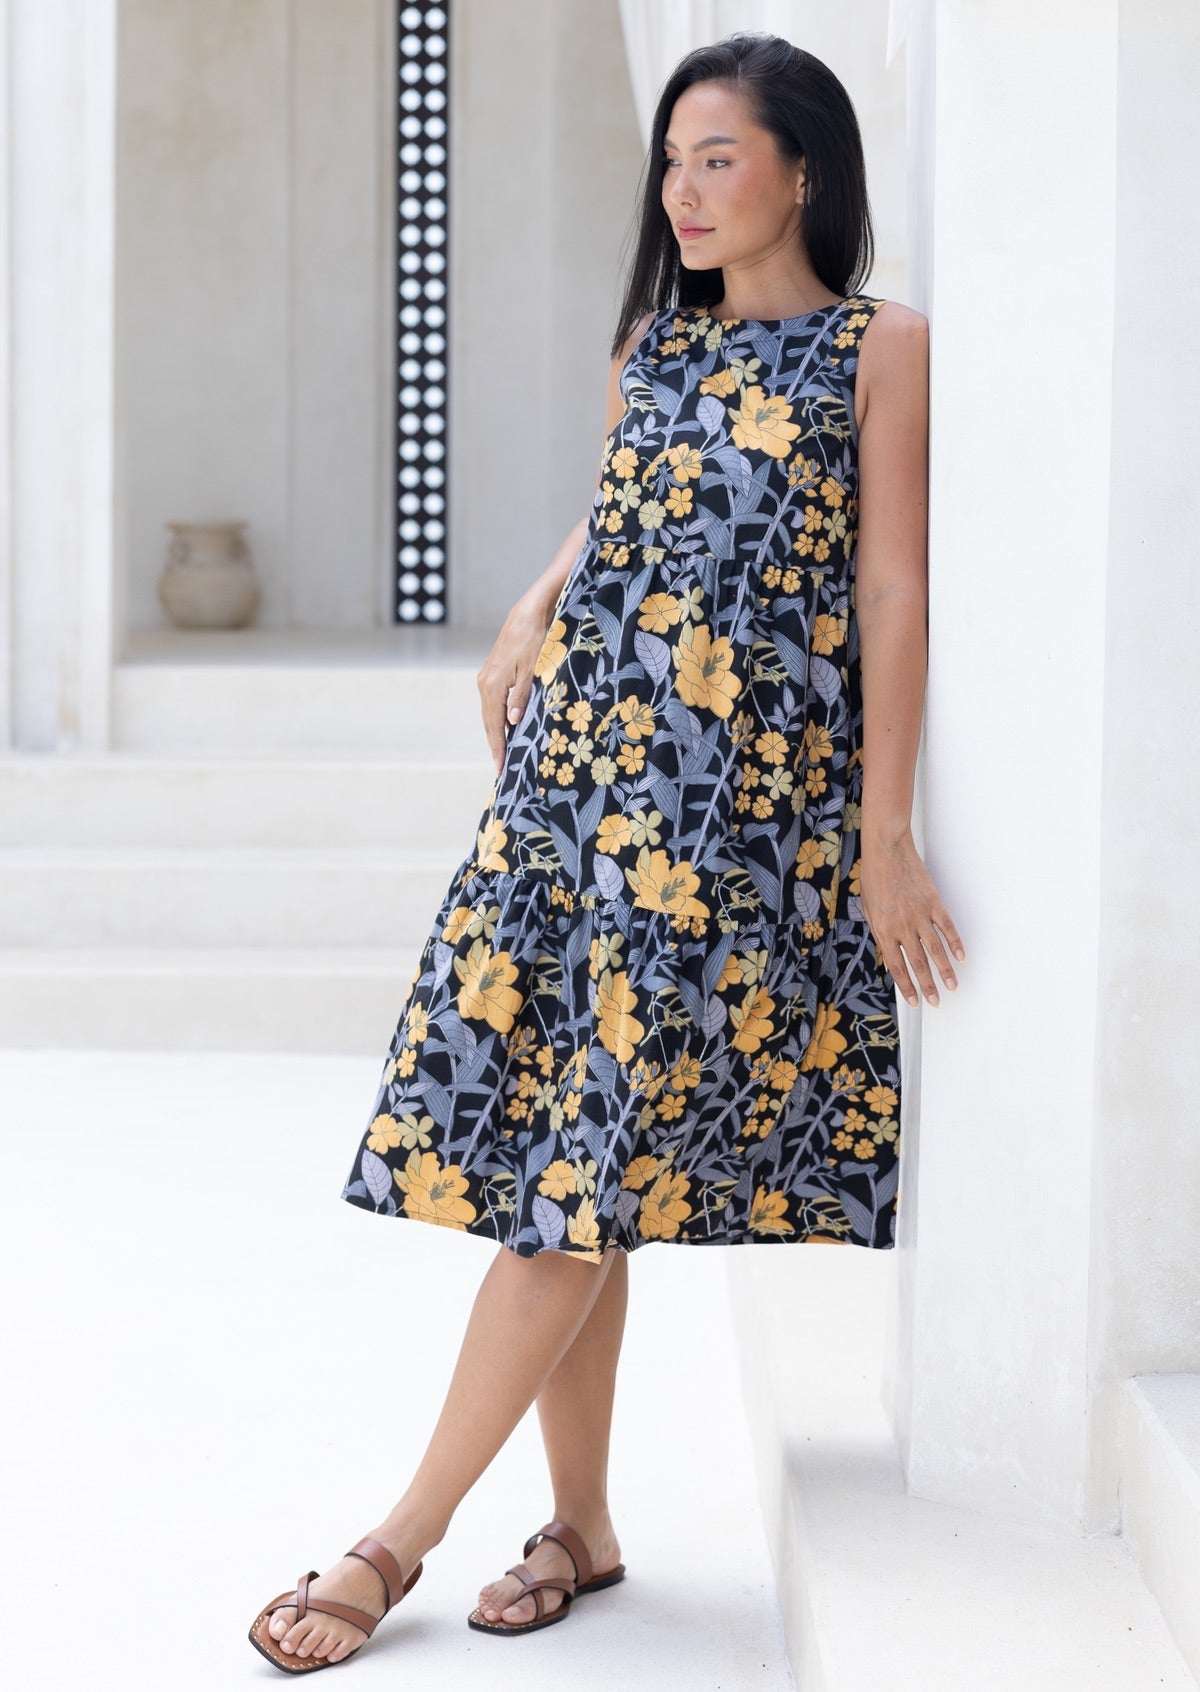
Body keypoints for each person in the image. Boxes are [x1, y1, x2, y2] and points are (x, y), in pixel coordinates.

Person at [248, 29, 964, 1675]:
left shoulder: (881, 349)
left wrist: (884, 834)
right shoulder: (656, 343)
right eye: (674, 160)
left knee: (567, 1195)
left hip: (731, 831)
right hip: (582, 802)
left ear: (805, 172)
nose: (689, 189)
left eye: (722, 157)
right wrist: (538, 591)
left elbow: (892, 592)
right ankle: (584, 1525)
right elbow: (631, 500)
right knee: (576, 1176)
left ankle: (391, 1541)